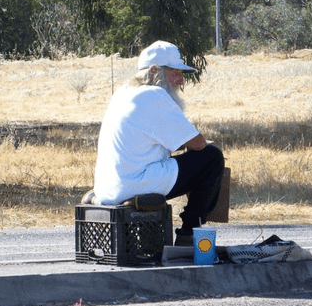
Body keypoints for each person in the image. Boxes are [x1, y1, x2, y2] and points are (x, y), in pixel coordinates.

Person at [90, 40, 225, 246]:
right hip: (134, 183)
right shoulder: (154, 95)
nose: (180, 80)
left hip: (108, 186)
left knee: (191, 160)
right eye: (175, 72)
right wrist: (199, 143)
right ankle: (189, 232)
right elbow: (197, 143)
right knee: (212, 157)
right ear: (154, 71)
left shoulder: (123, 93)